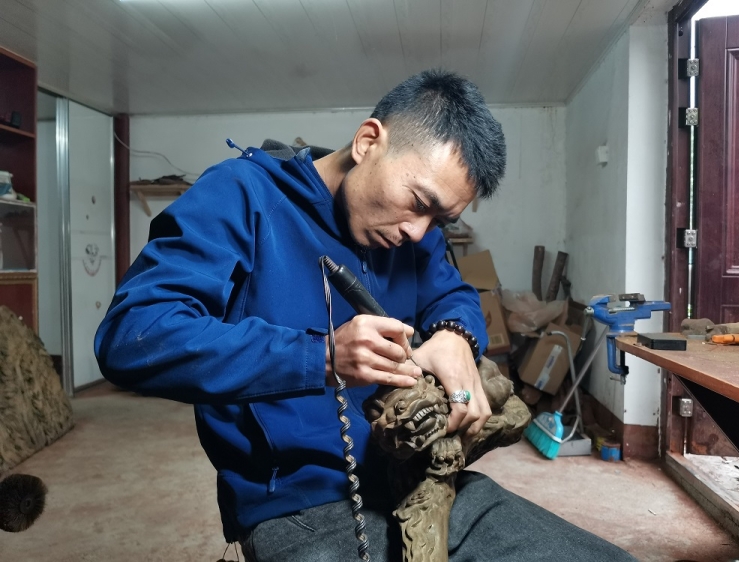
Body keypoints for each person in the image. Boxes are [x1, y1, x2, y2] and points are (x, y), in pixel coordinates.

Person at [95, 69, 635, 562]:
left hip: (417, 478)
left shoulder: (417, 235)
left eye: (440, 219)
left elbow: (456, 295)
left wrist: (454, 336)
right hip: (297, 505)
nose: (419, 233)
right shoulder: (241, 195)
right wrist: (320, 356)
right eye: (418, 202)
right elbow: (131, 335)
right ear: (368, 141)